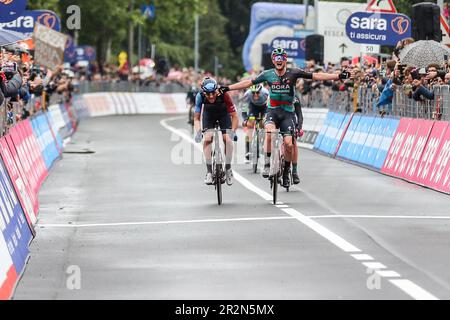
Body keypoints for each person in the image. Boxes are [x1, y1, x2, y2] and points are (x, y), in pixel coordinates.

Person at [219, 48, 351, 187]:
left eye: (282, 58)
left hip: (288, 112)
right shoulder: (268, 74)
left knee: (289, 144)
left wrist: (338, 76)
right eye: (277, 58)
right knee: (269, 133)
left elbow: (316, 76)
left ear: (285, 60)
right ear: (273, 61)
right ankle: (268, 164)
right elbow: (248, 83)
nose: (279, 60)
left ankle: (288, 171)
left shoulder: (294, 72)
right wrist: (228, 88)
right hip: (272, 111)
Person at [194, 77, 239, 186]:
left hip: (224, 114)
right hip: (209, 116)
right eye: (208, 94)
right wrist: (199, 132)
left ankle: (228, 168)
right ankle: (209, 172)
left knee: (227, 139)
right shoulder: (200, 96)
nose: (211, 96)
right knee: (208, 138)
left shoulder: (224, 94)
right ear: (203, 92)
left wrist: (233, 131)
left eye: (213, 93)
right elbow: (196, 118)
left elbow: (234, 116)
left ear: (217, 90)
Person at [241, 83, 269, 162]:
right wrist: (245, 119)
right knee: (250, 125)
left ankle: (262, 139)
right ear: (250, 92)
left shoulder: (266, 93)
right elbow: (244, 108)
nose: (255, 95)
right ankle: (248, 151)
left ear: (261, 91)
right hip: (253, 108)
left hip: (264, 108)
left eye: (257, 93)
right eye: (253, 93)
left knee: (263, 123)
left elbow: (270, 107)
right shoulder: (247, 94)